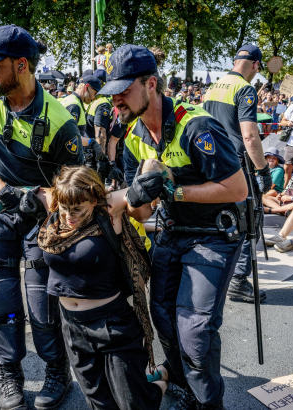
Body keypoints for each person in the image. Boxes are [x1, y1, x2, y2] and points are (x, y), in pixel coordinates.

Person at [99, 44, 249, 410]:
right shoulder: (133, 135)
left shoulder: (196, 125)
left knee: (195, 331)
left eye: (124, 90)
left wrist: (172, 189)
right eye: (112, 91)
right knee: (164, 320)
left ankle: (209, 403)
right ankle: (184, 383)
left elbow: (237, 189)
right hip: (170, 234)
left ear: (151, 84)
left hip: (214, 236)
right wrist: (136, 197)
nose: (116, 99)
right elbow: (143, 214)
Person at [0, 165, 168, 409]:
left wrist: (148, 179)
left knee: (134, 404)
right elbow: (12, 191)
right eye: (64, 209)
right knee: (99, 402)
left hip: (112, 325)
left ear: (93, 200)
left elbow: (137, 202)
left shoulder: (108, 207)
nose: (68, 216)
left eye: (78, 210)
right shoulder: (59, 200)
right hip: (73, 327)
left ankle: (161, 381)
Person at [0, 24, 84, 410]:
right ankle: (9, 375)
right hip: (0, 210)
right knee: (1, 304)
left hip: (41, 220)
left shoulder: (59, 119)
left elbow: (74, 188)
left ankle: (56, 372)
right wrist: (2, 191)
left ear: (21, 66)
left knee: (42, 306)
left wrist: (43, 198)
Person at [203, 43, 272, 303]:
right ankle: (239, 280)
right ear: (255, 64)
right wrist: (263, 169)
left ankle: (217, 272)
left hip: (209, 163)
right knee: (250, 219)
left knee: (221, 219)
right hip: (236, 165)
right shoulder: (245, 89)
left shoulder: (212, 88)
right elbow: (250, 136)